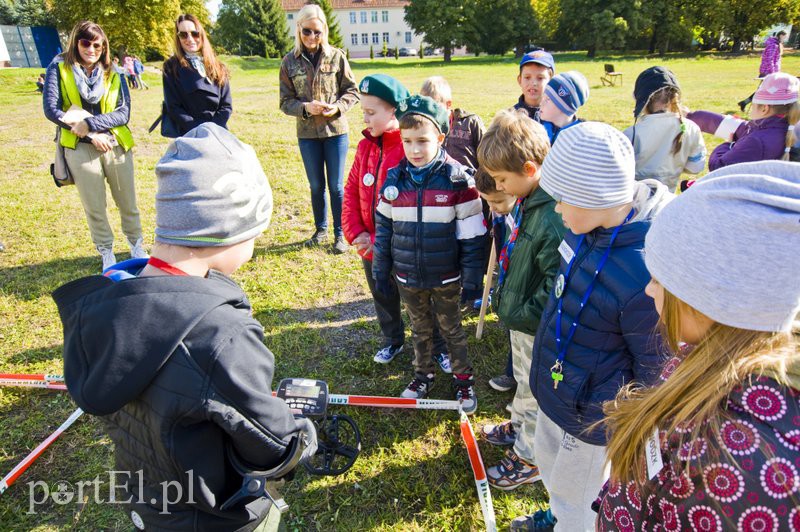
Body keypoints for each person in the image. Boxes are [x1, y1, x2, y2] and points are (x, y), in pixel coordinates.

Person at [53, 123, 317, 531]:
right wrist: (304, 436)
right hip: (214, 515)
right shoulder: (219, 335)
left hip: (149, 499)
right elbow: (270, 443)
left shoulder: (109, 301)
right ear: (228, 226)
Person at [597, 160, 800, 531]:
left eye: (660, 280)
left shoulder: (743, 465)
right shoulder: (708, 352)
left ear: (712, 299)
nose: (648, 290)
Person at [511, 122, 672, 531]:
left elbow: (654, 367)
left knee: (580, 500)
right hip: (556, 391)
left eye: (563, 200)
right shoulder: (583, 228)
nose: (557, 209)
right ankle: (558, 515)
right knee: (552, 473)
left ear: (596, 197)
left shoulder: (643, 272)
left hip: (592, 421)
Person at [372, 95, 486, 414]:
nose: (415, 149)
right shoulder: (395, 179)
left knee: (451, 329)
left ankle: (463, 379)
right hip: (408, 275)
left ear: (440, 137)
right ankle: (423, 375)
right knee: (420, 329)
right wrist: (382, 268)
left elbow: (474, 235)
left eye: (423, 140)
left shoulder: (458, 180)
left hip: (446, 276)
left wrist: (473, 279)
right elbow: (384, 228)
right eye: (407, 141)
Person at [475, 110, 565, 491]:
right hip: (521, 320)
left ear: (528, 169)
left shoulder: (552, 216)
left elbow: (555, 283)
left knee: (532, 388)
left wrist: (521, 312)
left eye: (501, 180)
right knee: (522, 384)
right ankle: (518, 425)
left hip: (534, 324)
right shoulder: (531, 201)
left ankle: (529, 457)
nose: (500, 187)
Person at [341, 74, 452, 372]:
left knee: (419, 299)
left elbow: (409, 202)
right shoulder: (365, 146)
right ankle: (392, 338)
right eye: (363, 111)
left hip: (400, 246)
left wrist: (380, 240)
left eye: (370, 112)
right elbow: (351, 188)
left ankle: (438, 346)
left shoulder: (405, 148)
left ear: (393, 112)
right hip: (369, 246)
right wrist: (355, 233)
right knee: (382, 292)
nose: (364, 118)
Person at [43, 20, 145, 271]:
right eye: (86, 43)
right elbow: (51, 109)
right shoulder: (59, 67)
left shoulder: (114, 71)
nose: (91, 49)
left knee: (127, 201)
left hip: (115, 144)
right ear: (76, 42)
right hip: (79, 146)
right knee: (94, 205)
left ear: (104, 47)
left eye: (97, 45)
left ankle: (136, 245)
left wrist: (90, 124)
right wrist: (89, 135)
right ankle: (106, 251)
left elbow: (124, 113)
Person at [279, 4, 359, 253]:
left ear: (324, 30)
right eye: (307, 31)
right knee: (316, 186)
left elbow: (352, 92)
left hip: (335, 132)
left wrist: (336, 108)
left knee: (335, 186)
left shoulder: (337, 56)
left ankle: (340, 234)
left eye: (317, 31)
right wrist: (304, 108)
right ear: (298, 30)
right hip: (307, 134)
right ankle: (320, 229)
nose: (312, 37)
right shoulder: (289, 62)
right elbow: (284, 101)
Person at [689, 72, 799, 169]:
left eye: (752, 105)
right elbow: (743, 128)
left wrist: (729, 145)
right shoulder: (784, 127)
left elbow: (718, 166)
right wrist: (690, 116)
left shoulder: (756, 141)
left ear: (765, 108)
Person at [624, 66, 706, 192]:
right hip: (668, 201)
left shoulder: (631, 133)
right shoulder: (691, 128)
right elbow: (695, 167)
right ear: (675, 98)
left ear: (640, 99)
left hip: (635, 203)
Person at [474, 167, 517, 397]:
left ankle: (519, 378)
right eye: (488, 202)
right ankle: (513, 373)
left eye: (497, 201)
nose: (492, 208)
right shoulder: (500, 211)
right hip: (509, 279)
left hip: (524, 286)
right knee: (513, 330)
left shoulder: (529, 212)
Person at [163, 14, 232, 137]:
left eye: (194, 33)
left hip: (218, 132)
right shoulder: (171, 67)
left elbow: (226, 106)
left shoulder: (218, 66)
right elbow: (173, 107)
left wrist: (213, 130)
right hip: (189, 133)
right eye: (183, 34)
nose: (190, 39)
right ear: (178, 38)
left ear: (201, 34)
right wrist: (198, 131)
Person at [420, 75, 485, 170]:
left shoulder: (470, 122)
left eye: (434, 107)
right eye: (425, 107)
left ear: (448, 104)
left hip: (470, 181)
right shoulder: (422, 127)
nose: (429, 112)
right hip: (440, 183)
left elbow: (487, 155)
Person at [738, 30, 788, 111]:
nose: (785, 38)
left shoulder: (777, 44)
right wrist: (773, 72)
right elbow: (769, 59)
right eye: (785, 36)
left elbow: (776, 60)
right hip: (768, 72)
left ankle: (745, 103)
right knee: (766, 91)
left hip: (770, 71)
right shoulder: (773, 45)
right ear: (781, 35)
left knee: (766, 91)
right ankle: (758, 107)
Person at [513, 50, 555, 139]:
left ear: (551, 82)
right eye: (527, 77)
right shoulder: (510, 118)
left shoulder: (557, 117)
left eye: (540, 78)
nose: (533, 83)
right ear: (519, 80)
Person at [538, 70, 589, 144]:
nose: (541, 103)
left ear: (563, 107)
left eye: (548, 99)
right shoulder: (539, 129)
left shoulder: (579, 138)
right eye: (543, 97)